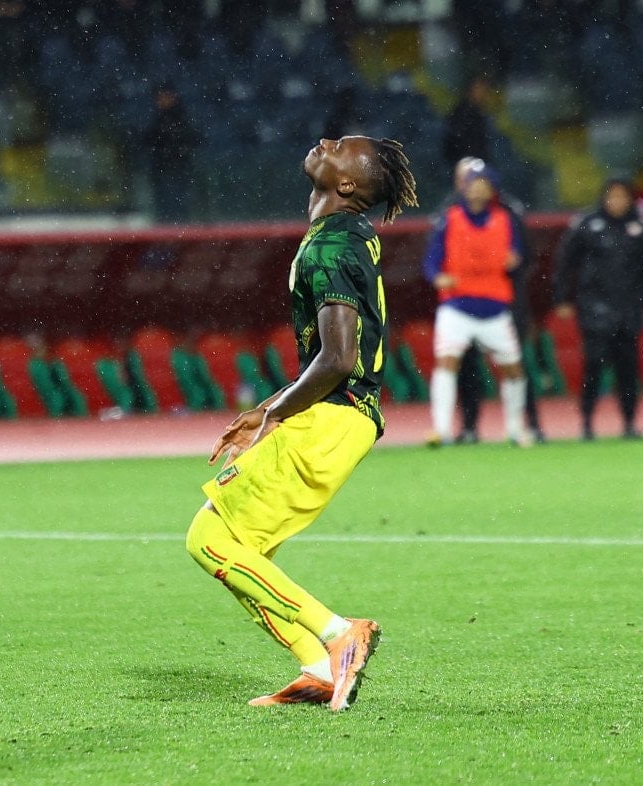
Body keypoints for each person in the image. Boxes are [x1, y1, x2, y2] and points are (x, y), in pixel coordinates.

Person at [185, 135, 418, 711]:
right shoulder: (349, 235)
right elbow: (334, 357)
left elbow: (337, 359)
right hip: (343, 418)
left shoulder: (331, 246)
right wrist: (269, 409)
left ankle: (339, 634)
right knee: (244, 550)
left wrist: (272, 413)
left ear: (347, 185)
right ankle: (315, 667)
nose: (325, 141)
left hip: (330, 419)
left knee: (209, 539)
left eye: (339, 147)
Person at [423, 164, 531, 447]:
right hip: (457, 304)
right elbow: (431, 259)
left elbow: (518, 253)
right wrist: (436, 276)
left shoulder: (505, 220)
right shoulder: (450, 218)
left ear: (492, 190)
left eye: (483, 185)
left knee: (513, 368)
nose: (477, 190)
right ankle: (441, 429)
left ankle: (515, 428)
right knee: (447, 362)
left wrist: (515, 259)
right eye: (473, 184)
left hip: (494, 307)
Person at [552, 179, 643, 440]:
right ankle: (587, 423)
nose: (617, 202)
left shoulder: (641, 228)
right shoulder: (587, 225)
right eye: (613, 196)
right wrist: (562, 298)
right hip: (595, 308)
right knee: (593, 367)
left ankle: (629, 423)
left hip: (628, 309)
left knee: (628, 369)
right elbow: (564, 262)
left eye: (622, 196)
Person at [142, 84, 199, 223]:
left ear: (173, 97)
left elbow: (193, 139)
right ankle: (165, 227)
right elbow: (147, 141)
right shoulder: (156, 118)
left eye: (166, 96)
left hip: (179, 167)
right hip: (162, 168)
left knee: (180, 203)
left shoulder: (182, 118)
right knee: (163, 204)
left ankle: (182, 228)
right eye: (160, 97)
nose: (162, 100)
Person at [442, 74, 493, 168]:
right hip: (461, 164)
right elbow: (456, 142)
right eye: (479, 88)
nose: (482, 92)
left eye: (484, 88)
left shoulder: (481, 113)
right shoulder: (461, 112)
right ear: (471, 89)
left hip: (476, 163)